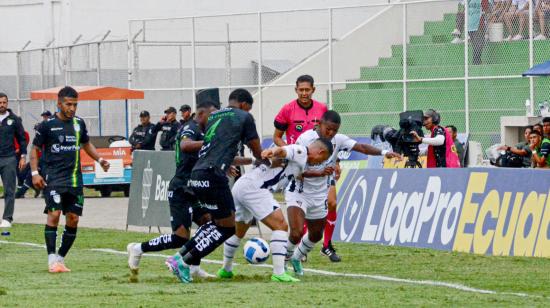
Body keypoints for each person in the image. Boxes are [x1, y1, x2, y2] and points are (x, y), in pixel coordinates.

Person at [166, 88, 264, 284]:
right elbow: (255, 146)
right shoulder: (243, 116)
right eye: (249, 109)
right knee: (228, 227)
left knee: (215, 223)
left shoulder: (213, 117)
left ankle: (180, 257)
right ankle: (184, 261)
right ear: (245, 105)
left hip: (197, 174)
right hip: (213, 175)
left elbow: (213, 146)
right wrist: (262, 159)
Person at [285, 111, 399, 275]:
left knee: (316, 235)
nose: (331, 133)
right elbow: (295, 171)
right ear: (320, 124)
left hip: (319, 194)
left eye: (335, 130)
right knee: (295, 234)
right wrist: (320, 172)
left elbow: (362, 147)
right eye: (328, 129)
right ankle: (282, 266)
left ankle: (297, 257)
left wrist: (383, 152)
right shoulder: (305, 139)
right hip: (299, 190)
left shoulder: (338, 140)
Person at [218, 139, 333, 283]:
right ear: (321, 152)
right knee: (281, 226)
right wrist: (272, 151)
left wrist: (321, 173)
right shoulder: (302, 151)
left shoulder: (302, 163)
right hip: (255, 189)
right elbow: (282, 150)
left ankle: (226, 270)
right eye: (323, 159)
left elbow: (295, 169)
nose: (320, 163)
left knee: (239, 231)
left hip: (241, 186)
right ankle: (279, 273)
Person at [127, 101, 220, 279]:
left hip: (195, 187)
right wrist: (209, 142)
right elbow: (186, 145)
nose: (215, 119)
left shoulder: (203, 130)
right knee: (181, 238)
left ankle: (193, 267)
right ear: (201, 113)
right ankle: (138, 248)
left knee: (207, 223)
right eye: (213, 115)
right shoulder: (189, 128)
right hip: (181, 187)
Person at [30, 86, 110, 273]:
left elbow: (86, 143)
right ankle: (51, 260)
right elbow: (34, 149)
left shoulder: (79, 123)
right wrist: (35, 173)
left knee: (73, 219)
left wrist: (99, 159)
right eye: (68, 104)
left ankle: (60, 259)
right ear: (59, 104)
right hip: (54, 179)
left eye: (75, 104)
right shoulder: (47, 125)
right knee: (55, 215)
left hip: (75, 180)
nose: (72, 108)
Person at [273, 74, 327, 146]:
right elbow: (276, 137)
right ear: (296, 90)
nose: (304, 93)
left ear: (313, 90)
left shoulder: (322, 108)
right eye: (301, 90)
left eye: (307, 90)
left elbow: (328, 133)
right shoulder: (287, 109)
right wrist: (291, 151)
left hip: (317, 155)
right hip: (296, 156)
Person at [0, 93, 27, 228]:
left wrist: (23, 156)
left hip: (8, 158)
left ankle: (7, 218)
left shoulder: (14, 119)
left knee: (9, 189)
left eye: (4, 102)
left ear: (7, 103)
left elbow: (22, 138)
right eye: (0, 102)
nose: (2, 105)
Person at [468, 0, 492, 65]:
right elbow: (487, 9)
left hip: (469, 25)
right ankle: (476, 62)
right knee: (479, 44)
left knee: (476, 44)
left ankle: (477, 61)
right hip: (478, 24)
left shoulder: (470, 1)